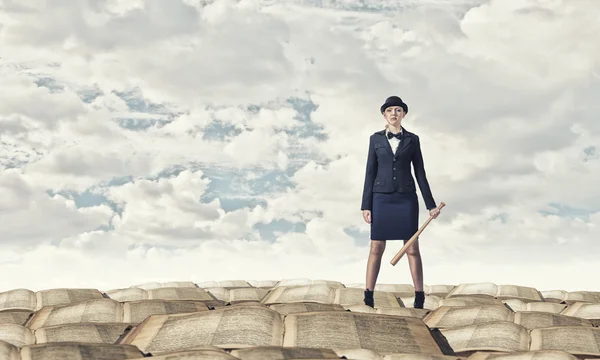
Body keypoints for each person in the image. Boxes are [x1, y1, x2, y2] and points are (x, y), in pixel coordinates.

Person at [360, 95, 440, 309]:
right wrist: (365, 205)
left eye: (398, 110)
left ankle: (419, 295)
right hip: (381, 198)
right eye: (389, 110)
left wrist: (430, 205)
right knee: (376, 247)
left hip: (406, 198)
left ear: (403, 114)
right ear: (384, 115)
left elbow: (420, 173)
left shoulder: (412, 140)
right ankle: (368, 295)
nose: (394, 113)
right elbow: (370, 172)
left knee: (412, 248)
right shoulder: (375, 139)